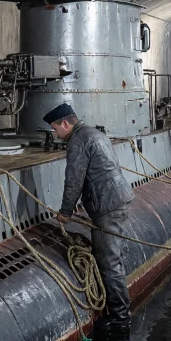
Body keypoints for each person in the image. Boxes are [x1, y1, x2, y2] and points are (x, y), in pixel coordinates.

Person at [47, 103, 134, 325]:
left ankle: (120, 317)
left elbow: (74, 180)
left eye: (55, 129)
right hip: (117, 198)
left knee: (109, 262)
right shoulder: (94, 133)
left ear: (65, 123)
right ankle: (118, 311)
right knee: (113, 258)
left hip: (107, 205)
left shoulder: (77, 141)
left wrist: (65, 212)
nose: (54, 135)